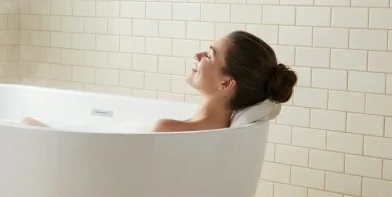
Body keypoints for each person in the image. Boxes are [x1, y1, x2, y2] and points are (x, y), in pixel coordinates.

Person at [20, 30, 297, 132]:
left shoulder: (167, 128)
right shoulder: (218, 132)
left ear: (226, 83)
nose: (198, 55)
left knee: (25, 124)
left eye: (210, 55)